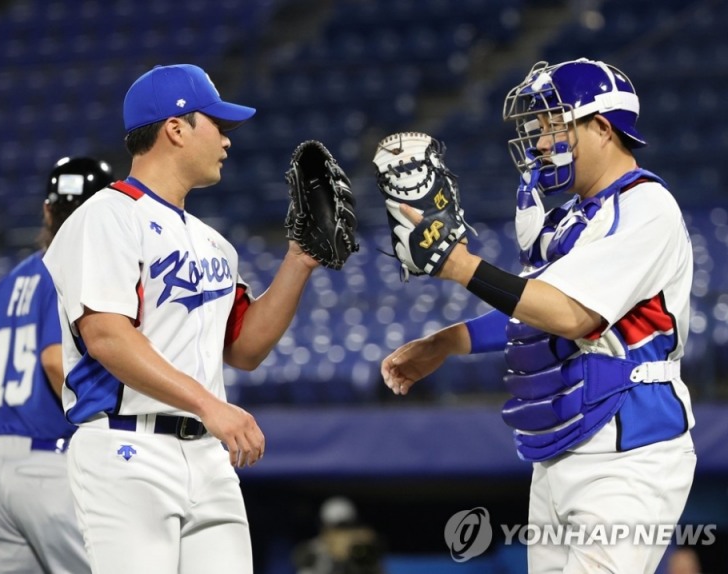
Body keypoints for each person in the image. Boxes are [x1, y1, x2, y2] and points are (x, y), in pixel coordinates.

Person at [381, 58, 696, 573]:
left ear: (601, 128)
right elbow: (536, 313)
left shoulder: (646, 206)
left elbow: (573, 317)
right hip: (561, 447)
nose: (542, 142)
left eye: (555, 125)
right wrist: (446, 342)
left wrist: (462, 266)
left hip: (628, 446)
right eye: (539, 128)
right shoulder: (574, 216)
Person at [42, 63, 328, 574]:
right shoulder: (106, 215)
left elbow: (244, 348)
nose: (227, 140)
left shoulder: (211, 240)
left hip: (207, 455)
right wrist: (209, 405)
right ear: (176, 128)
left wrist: (299, 260)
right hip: (126, 445)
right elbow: (107, 336)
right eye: (217, 124)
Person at [0, 156, 112, 574]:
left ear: (47, 209)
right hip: (49, 464)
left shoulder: (7, 283)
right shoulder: (73, 271)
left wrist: (15, 413)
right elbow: (53, 362)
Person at [291, 496, 385, 574]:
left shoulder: (360, 548)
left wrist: (353, 553)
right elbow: (299, 557)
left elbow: (375, 565)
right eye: (335, 527)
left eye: (345, 527)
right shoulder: (315, 547)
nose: (340, 532)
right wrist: (331, 551)